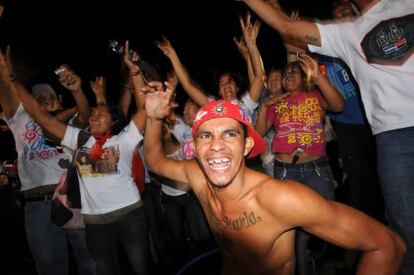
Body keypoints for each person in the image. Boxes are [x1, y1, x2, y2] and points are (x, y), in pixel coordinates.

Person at [143, 80, 405, 275]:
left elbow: (387, 245)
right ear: (195, 147)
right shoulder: (197, 177)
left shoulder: (280, 199)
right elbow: (154, 161)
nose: (216, 145)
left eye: (230, 134)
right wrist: (154, 118)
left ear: (247, 147)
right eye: (206, 136)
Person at [241, 0, 414, 273]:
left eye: (291, 73)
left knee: (330, 226)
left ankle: (329, 260)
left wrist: (315, 76)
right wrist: (264, 106)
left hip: (317, 170)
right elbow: (260, 132)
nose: (287, 76)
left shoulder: (315, 95)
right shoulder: (277, 102)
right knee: (291, 231)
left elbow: (338, 105)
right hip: (285, 171)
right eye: (284, 74)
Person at [0, 45, 151, 275]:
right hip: (95, 223)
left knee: (139, 267)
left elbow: (143, 108)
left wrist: (134, 72)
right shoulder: (80, 139)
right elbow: (44, 120)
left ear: (113, 121)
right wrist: (14, 81)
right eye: (92, 115)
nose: (94, 117)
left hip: (130, 214)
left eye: (100, 114)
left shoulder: (125, 138)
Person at [0, 47, 95, 275]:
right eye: (38, 97)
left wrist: (79, 91)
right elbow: (4, 79)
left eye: (49, 96)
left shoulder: (69, 121)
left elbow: (85, 115)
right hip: (37, 204)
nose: (43, 99)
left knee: (90, 263)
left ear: (58, 99)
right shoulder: (20, 115)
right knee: (50, 268)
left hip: (74, 199)